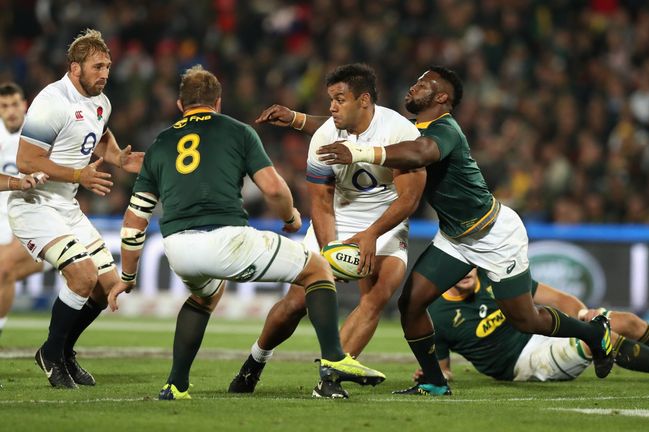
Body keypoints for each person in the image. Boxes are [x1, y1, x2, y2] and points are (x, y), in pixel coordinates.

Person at [318, 66, 614, 396]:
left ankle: (593, 333)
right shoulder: (412, 128)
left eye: (424, 84)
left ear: (442, 97)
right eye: (415, 80)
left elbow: (422, 153)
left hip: (494, 234)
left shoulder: (445, 129)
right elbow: (355, 121)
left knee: (525, 319)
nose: (414, 86)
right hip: (456, 238)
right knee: (411, 304)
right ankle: (434, 381)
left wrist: (358, 152)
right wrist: (297, 120)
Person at [107, 65, 386, 401]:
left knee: (203, 297)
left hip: (179, 248)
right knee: (317, 269)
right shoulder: (236, 131)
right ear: (218, 102)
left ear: (181, 106)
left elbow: (134, 220)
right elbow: (273, 188)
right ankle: (334, 361)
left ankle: (176, 385)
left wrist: (127, 275)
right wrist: (291, 216)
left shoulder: (160, 143)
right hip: (227, 239)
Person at [228, 63, 425, 398]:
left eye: (339, 99)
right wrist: (331, 250)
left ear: (363, 101)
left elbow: (409, 199)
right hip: (339, 216)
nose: (331, 106)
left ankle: (330, 375)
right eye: (330, 99)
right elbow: (320, 202)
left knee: (379, 293)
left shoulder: (399, 132)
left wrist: (372, 235)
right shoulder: (323, 137)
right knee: (295, 304)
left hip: (387, 220)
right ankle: (255, 361)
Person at [9, 29, 144, 389]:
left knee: (108, 287)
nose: (105, 74)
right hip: (34, 204)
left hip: (66, 206)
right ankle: (52, 355)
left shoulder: (101, 101)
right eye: (97, 67)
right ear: (74, 68)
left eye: (108, 66)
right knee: (83, 277)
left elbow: (99, 133)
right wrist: (78, 174)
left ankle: (62, 351)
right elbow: (26, 160)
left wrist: (117, 157)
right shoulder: (51, 101)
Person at [421, 268, 649, 384]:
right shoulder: (436, 313)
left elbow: (560, 298)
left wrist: (584, 313)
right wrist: (435, 373)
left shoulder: (495, 277)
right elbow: (444, 369)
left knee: (627, 321)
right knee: (599, 339)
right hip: (523, 365)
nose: (465, 270)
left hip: (542, 334)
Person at [0, 82, 51, 339]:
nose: (10, 111)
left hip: (35, 220)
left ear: (25, 106)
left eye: (14, 104)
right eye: (4, 106)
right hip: (3, 223)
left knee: (3, 269)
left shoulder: (38, 135)